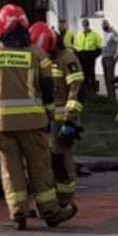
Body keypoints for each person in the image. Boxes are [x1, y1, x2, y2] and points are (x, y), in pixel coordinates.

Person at [0, 5, 76, 230]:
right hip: (34, 122)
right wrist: (49, 115)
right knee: (40, 167)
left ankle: (18, 213)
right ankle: (50, 212)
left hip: (3, 124)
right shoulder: (38, 54)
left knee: (11, 170)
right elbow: (48, 90)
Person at [31, 21, 85, 208]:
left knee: (61, 162)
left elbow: (77, 90)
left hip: (64, 122)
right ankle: (49, 201)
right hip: (46, 120)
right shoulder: (40, 59)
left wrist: (70, 121)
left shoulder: (67, 58)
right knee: (45, 162)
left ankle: (65, 200)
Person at [70, 18, 104, 95]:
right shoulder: (78, 35)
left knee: (91, 75)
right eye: (84, 25)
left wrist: (94, 55)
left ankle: (94, 92)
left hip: (90, 57)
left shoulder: (95, 35)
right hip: (81, 57)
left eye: (86, 25)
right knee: (82, 75)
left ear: (89, 25)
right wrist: (77, 56)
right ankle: (85, 93)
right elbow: (75, 47)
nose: (85, 27)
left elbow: (100, 48)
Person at [99, 20, 118, 96]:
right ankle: (109, 94)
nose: (103, 27)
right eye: (102, 26)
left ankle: (112, 95)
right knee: (106, 77)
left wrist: (117, 54)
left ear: (108, 25)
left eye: (104, 25)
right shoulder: (104, 33)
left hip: (110, 57)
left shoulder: (112, 33)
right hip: (104, 57)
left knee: (110, 77)